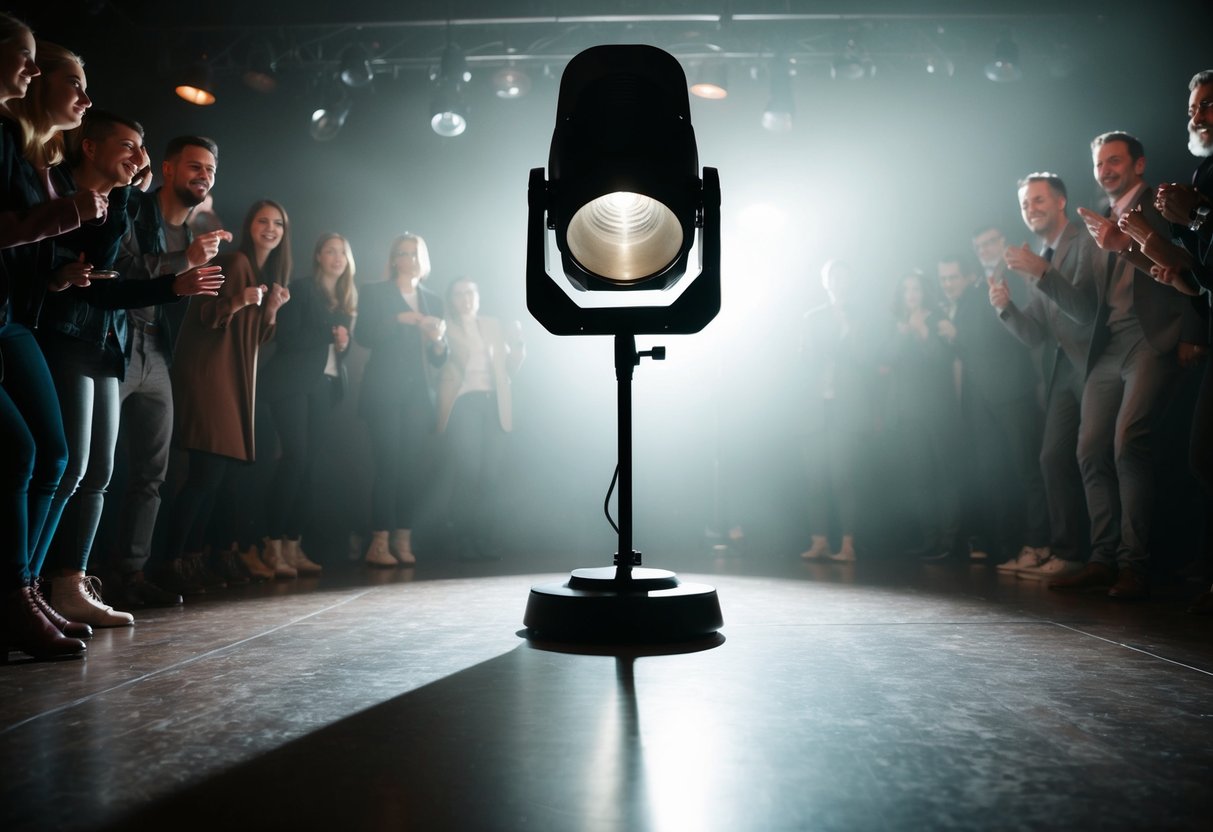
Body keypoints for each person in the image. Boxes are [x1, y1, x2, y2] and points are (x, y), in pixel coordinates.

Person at [25, 110, 222, 628]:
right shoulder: (71, 191)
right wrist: (177, 269)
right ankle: (32, 587)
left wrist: (175, 283)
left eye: (141, 148)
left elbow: (113, 281)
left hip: (116, 341)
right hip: (75, 334)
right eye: (129, 145)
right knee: (66, 467)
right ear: (91, 147)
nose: (138, 157)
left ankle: (76, 583)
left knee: (104, 473)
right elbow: (115, 272)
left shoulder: (130, 204)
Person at [1044, 131, 1208, 600]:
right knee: (1089, 449)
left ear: (1139, 164)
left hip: (1152, 339)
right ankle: (1102, 559)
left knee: (1128, 443)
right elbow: (1086, 303)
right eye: (1099, 164)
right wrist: (1044, 276)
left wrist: (1194, 333)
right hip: (1109, 345)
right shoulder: (1096, 221)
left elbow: (1193, 266)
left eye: (1114, 160)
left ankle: (1132, 566)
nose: (1106, 170)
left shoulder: (1163, 205)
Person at [0, 24, 95, 660]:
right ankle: (16, 598)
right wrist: (65, 216)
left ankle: (25, 593)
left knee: (54, 455)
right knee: (24, 452)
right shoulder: (11, 140)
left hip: (14, 315)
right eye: (26, 58)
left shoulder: (34, 154)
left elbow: (31, 248)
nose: (31, 70)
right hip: (19, 320)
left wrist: (59, 273)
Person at [106, 134, 229, 604]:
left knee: (152, 475)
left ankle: (131, 576)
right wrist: (184, 261)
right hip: (115, 342)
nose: (204, 176)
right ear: (169, 168)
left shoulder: (196, 233)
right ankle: (73, 576)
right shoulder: (136, 209)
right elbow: (119, 268)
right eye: (195, 166)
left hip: (157, 351)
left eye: (210, 170)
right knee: (94, 469)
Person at [163, 200, 290, 580]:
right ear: (249, 225)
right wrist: (239, 300)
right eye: (263, 221)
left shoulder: (260, 274)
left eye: (278, 223)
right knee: (205, 477)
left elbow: (255, 339)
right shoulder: (235, 262)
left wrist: (270, 310)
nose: (270, 228)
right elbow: (204, 314)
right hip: (211, 379)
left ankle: (196, 557)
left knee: (216, 479)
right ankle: (172, 561)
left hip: (232, 381)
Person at [988, 173, 1097, 580]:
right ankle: (1067, 553)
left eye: (1037, 200)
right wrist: (1006, 309)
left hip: (1094, 364)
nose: (1030, 209)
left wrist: (1043, 271)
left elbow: (1085, 311)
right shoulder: (1040, 253)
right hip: (1061, 371)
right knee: (1051, 458)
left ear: (1061, 201)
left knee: (1096, 459)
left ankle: (1107, 557)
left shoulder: (1084, 241)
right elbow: (1035, 333)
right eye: (1024, 204)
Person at [936, 247, 1046, 567]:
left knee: (1027, 470)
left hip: (1012, 393)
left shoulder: (985, 294)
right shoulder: (956, 305)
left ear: (969, 276)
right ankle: (1009, 547)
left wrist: (956, 334)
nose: (947, 284)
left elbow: (997, 339)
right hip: (984, 402)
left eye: (953, 277)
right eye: (943, 279)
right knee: (997, 473)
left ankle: (1038, 543)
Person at [258, 232, 357, 576]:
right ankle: (271, 545)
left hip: (325, 386)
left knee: (308, 467)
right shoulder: (302, 289)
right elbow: (286, 338)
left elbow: (336, 352)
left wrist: (343, 344)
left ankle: (293, 545)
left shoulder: (345, 300)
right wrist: (330, 333)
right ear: (318, 256)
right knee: (295, 459)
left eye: (342, 252)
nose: (337, 257)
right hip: (292, 384)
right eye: (330, 251)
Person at [355, 233, 447, 567]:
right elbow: (363, 336)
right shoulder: (375, 292)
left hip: (418, 395)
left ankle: (403, 538)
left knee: (410, 468)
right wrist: (398, 319)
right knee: (388, 465)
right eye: (404, 253)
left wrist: (438, 341)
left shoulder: (432, 299)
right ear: (394, 259)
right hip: (383, 391)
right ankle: (378, 542)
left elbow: (439, 357)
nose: (410, 259)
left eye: (415, 253)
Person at [796, 259, 879, 562]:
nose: (839, 283)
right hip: (816, 408)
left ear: (851, 282)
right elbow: (804, 360)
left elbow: (868, 360)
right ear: (825, 282)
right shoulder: (812, 318)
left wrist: (848, 328)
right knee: (815, 478)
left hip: (848, 407)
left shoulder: (863, 318)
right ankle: (818, 540)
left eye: (844, 278)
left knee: (845, 477)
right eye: (834, 278)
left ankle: (847, 544)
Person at [436, 278, 524, 560]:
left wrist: (517, 345)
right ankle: (459, 538)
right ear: (451, 299)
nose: (466, 298)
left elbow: (508, 370)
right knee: (468, 472)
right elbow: (437, 359)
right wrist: (436, 341)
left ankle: (484, 539)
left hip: (494, 403)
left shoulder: (492, 325)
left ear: (478, 296)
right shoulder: (445, 326)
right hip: (464, 401)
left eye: (471, 292)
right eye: (459, 293)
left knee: (490, 475)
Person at [881, 269, 959, 560]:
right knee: (920, 478)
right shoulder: (897, 324)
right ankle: (930, 539)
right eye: (906, 289)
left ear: (925, 291)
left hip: (938, 409)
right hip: (908, 412)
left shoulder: (937, 318)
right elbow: (885, 360)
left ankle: (950, 542)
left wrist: (922, 331)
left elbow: (942, 359)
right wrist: (904, 332)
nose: (911, 294)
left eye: (915, 288)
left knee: (945, 475)